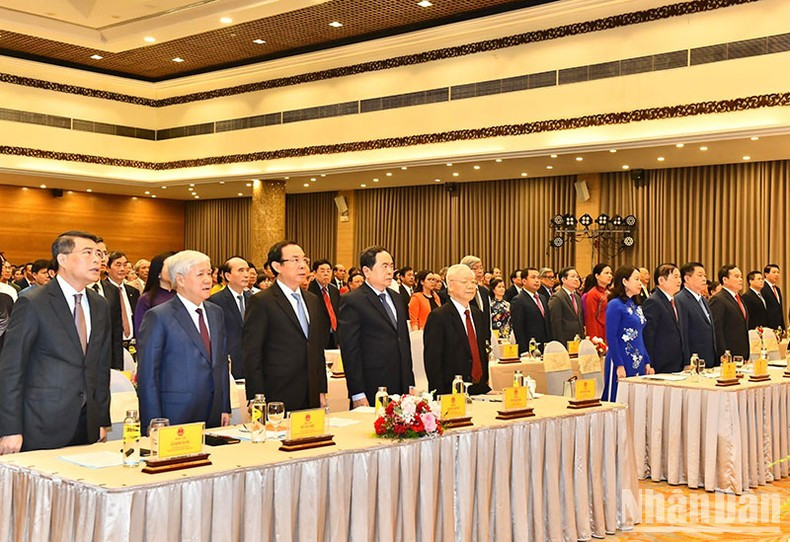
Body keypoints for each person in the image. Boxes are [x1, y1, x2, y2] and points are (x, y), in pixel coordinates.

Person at [0, 231, 112, 453]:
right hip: (41, 424)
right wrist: (10, 428)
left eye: (98, 254)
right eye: (88, 253)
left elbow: (100, 367)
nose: (97, 259)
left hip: (86, 423)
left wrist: (100, 419)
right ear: (62, 259)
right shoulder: (33, 302)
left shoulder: (100, 305)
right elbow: (11, 369)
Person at [137, 250, 230, 430]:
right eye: (200, 274)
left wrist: (224, 406)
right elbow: (148, 374)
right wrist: (153, 420)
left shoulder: (215, 312)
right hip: (175, 414)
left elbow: (221, 363)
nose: (208, 280)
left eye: (209, 273)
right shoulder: (159, 316)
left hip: (213, 411)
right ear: (180, 279)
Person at [243, 242, 329, 412]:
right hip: (277, 392)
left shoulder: (312, 300)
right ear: (277, 266)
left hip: (310, 391)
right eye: (295, 260)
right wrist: (256, 396)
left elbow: (317, 348)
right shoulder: (261, 301)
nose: (303, 265)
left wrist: (321, 389)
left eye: (304, 260)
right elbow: (252, 353)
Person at [338, 246, 414, 406]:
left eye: (391, 266)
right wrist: (357, 393)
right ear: (367, 271)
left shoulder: (397, 298)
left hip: (400, 385)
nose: (389, 271)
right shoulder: (353, 300)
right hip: (372, 386)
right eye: (384, 266)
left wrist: (410, 383)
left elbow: (404, 342)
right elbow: (350, 350)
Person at [424, 264, 491, 396]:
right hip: (451, 392)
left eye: (473, 282)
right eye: (464, 282)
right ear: (451, 285)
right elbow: (433, 361)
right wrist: (439, 395)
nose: (471, 286)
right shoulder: (439, 316)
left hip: (478, 391)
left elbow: (481, 353)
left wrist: (484, 387)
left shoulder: (478, 315)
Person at [602, 266, 654, 401]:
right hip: (621, 358)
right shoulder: (615, 305)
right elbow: (611, 337)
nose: (640, 283)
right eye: (636, 279)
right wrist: (619, 365)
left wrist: (647, 361)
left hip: (637, 359)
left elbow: (640, 335)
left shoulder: (636, 306)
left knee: (635, 400)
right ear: (625, 281)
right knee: (617, 397)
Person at [209, 256, 251, 379]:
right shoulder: (215, 301)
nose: (246, 274)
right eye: (241, 270)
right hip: (229, 362)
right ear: (227, 276)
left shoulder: (254, 299)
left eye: (247, 270)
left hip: (251, 361)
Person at [642, 263, 685, 373]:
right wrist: (649, 363)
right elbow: (648, 335)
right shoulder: (653, 302)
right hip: (661, 363)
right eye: (675, 277)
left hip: (676, 362)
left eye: (679, 277)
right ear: (661, 280)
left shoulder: (675, 301)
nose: (679, 280)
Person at [675, 262, 717, 369]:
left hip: (709, 359)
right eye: (700, 275)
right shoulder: (681, 300)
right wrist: (687, 361)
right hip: (694, 360)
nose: (704, 279)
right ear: (687, 278)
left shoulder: (703, 300)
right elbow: (683, 333)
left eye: (705, 276)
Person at [105, 252, 140, 365]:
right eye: (118, 265)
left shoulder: (132, 291)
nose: (122, 269)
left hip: (131, 345)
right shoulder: (102, 290)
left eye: (125, 265)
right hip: (112, 346)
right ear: (107, 268)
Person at [709, 264, 749, 361]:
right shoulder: (718, 299)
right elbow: (717, 329)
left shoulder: (739, 298)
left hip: (741, 353)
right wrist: (723, 353)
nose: (741, 279)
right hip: (728, 355)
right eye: (736, 276)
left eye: (741, 276)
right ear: (725, 280)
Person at [133, 251, 176, 335]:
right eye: (169, 267)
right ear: (158, 271)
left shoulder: (182, 295)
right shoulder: (146, 299)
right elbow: (141, 332)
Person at [510, 267, 551, 352]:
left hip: (545, 345)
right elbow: (518, 328)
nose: (537, 280)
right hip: (531, 346)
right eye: (533, 277)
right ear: (524, 281)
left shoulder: (543, 298)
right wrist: (524, 351)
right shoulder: (518, 300)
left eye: (538, 278)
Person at [308, 259, 341, 348]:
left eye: (328, 271)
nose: (326, 273)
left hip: (334, 336)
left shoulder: (334, 290)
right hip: (318, 336)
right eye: (322, 271)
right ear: (314, 273)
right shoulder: (310, 290)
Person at [548, 267, 584, 345]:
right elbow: (556, 323)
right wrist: (560, 343)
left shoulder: (577, 297)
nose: (576, 279)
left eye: (577, 277)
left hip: (577, 339)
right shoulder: (557, 297)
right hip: (564, 340)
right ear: (563, 280)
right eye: (573, 276)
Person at [583, 264, 612, 341]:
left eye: (610, 273)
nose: (610, 276)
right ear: (597, 276)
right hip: (598, 331)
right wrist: (594, 337)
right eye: (606, 273)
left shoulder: (609, 293)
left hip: (609, 329)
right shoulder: (592, 294)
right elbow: (590, 317)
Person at [460, 255, 490, 324]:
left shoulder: (484, 291)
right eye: (475, 268)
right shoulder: (460, 292)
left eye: (481, 268)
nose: (480, 271)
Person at [762, 264, 785, 330]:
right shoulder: (762, 288)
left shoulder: (777, 289)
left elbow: (779, 309)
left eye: (778, 272)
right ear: (766, 274)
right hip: (768, 327)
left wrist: (782, 326)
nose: (777, 274)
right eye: (774, 272)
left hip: (778, 327)